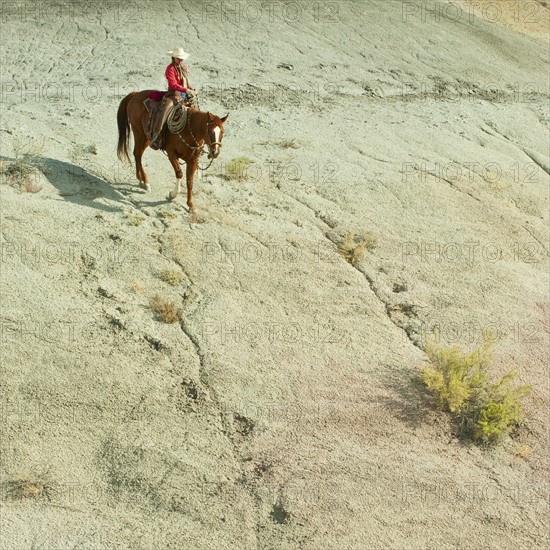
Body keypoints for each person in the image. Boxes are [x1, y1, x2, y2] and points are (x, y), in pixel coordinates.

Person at [150, 47, 195, 149]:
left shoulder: (183, 67)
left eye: (181, 58)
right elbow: (173, 84)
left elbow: (186, 82)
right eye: (178, 58)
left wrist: (191, 89)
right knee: (164, 111)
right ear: (173, 57)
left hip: (184, 95)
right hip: (173, 94)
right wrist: (186, 90)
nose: (180, 60)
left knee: (194, 112)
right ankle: (156, 135)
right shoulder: (170, 69)